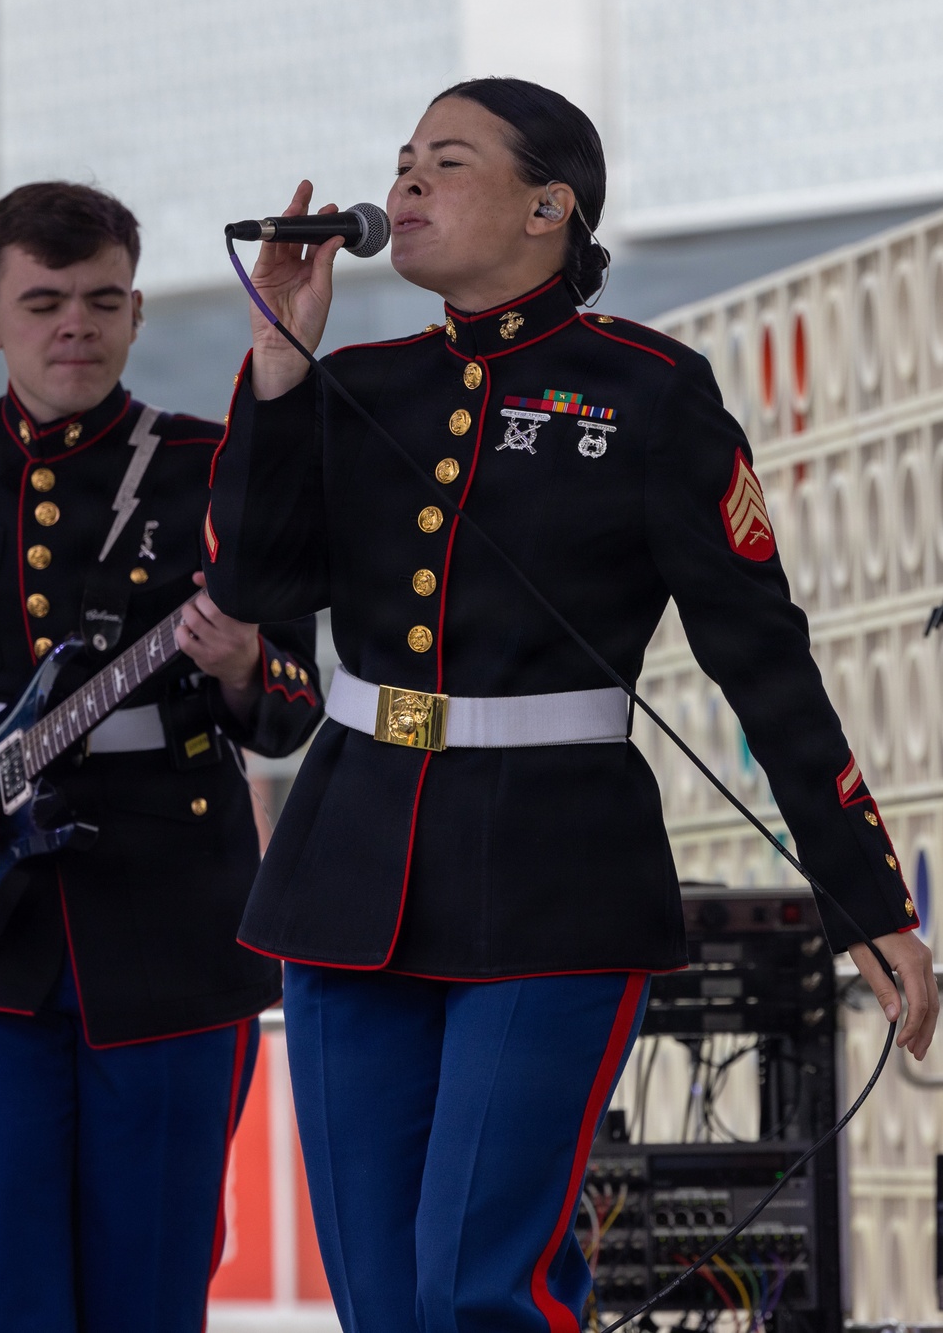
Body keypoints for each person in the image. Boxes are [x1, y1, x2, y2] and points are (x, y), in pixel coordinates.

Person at [202, 78, 938, 1333]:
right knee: (384, 1293)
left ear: (550, 205)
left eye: (447, 161)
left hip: (552, 871)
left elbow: (761, 658)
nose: (405, 185)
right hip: (348, 865)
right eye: (401, 162)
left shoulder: (650, 390)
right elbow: (257, 585)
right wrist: (279, 362)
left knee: (476, 1284)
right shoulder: (354, 382)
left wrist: (867, 893)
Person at [0, 182, 323, 1333]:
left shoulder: (216, 464)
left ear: (139, 311)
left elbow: (291, 701)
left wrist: (246, 663)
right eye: (44, 300)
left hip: (174, 918)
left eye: (102, 300)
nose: (76, 325)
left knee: (153, 1262)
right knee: (6, 1255)